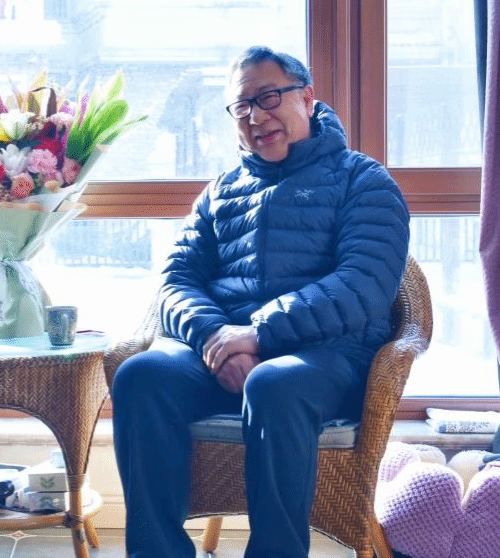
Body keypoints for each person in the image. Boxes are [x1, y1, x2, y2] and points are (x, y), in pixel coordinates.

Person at [111, 46, 410, 558]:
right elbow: (176, 281)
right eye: (242, 106)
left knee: (274, 382)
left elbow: (363, 285)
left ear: (307, 98)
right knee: (141, 374)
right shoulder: (220, 192)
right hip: (226, 353)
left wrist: (258, 336)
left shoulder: (363, 181)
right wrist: (215, 339)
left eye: (269, 97)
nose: (256, 116)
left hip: (327, 359)